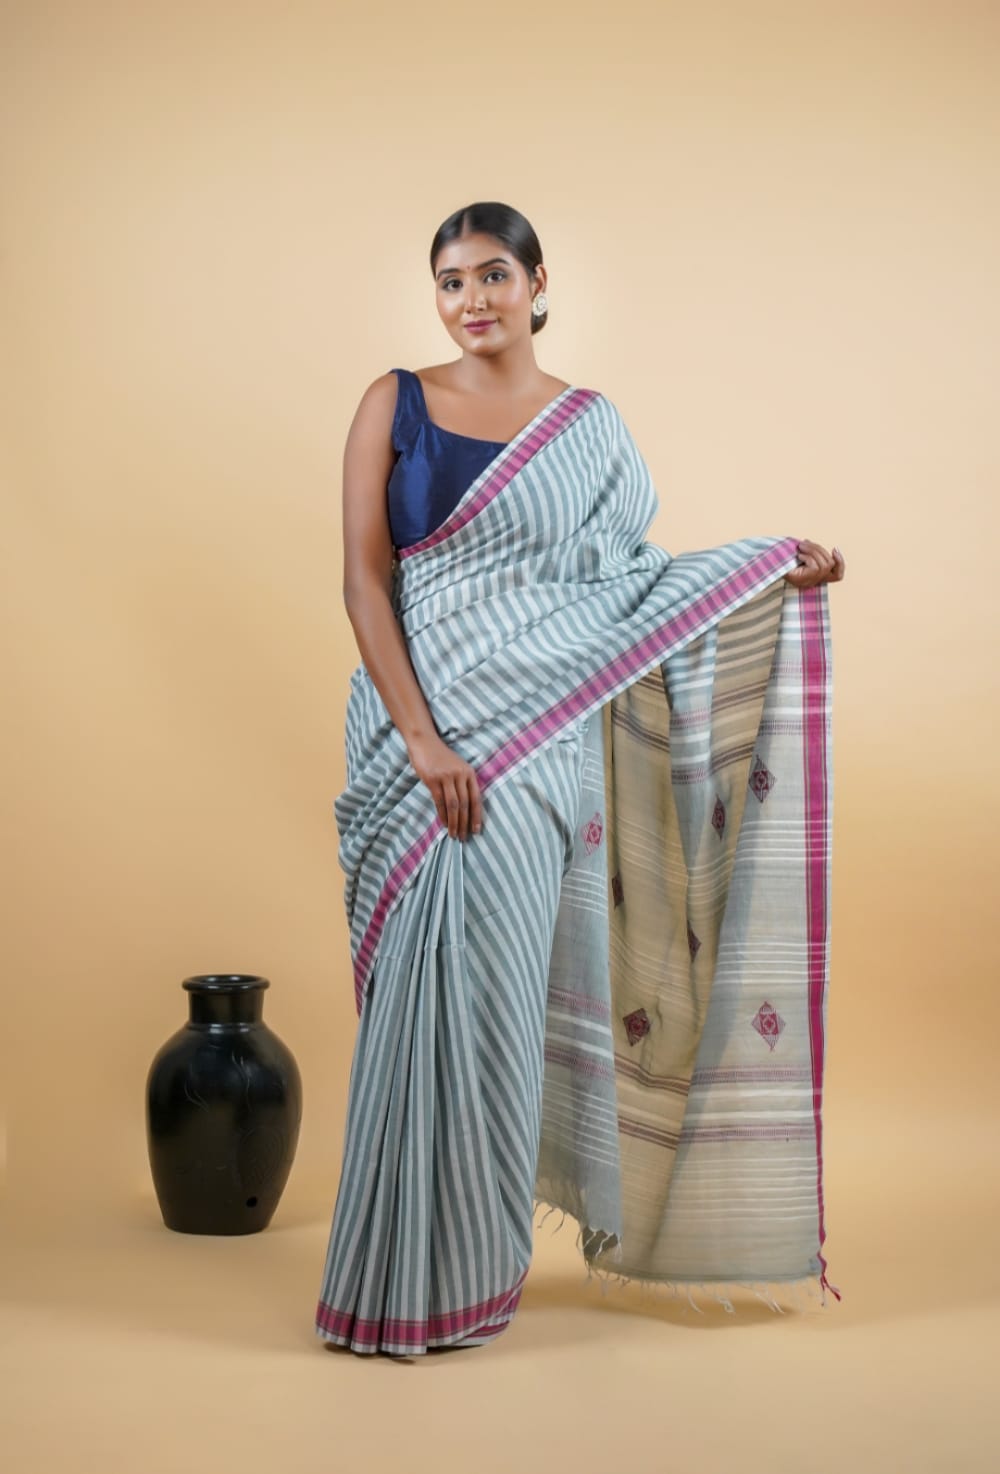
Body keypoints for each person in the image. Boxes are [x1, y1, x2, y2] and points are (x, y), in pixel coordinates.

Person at [315, 200, 846, 1358]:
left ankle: (475, 1274)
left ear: (537, 282)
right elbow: (363, 582)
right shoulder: (392, 404)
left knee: (498, 1004)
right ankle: (390, 1277)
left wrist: (767, 568)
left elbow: (630, 588)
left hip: (535, 755)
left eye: (492, 274)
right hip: (421, 754)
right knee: (417, 1007)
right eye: (450, 281)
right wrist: (423, 738)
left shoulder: (590, 429)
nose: (471, 299)